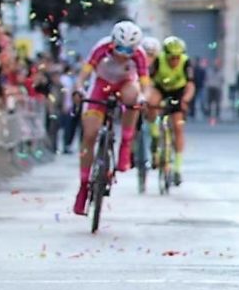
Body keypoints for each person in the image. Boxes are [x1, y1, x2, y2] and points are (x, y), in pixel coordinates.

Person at [70, 20, 149, 215]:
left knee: (134, 97)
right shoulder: (101, 48)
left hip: (125, 84)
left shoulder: (140, 55)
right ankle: (83, 186)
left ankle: (126, 143)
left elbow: (145, 84)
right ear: (112, 43)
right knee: (90, 134)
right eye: (119, 48)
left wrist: (143, 97)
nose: (123, 55)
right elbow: (84, 74)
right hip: (101, 85)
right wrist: (79, 88)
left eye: (129, 50)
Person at [146, 36, 196, 186]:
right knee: (151, 103)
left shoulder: (185, 62)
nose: (174, 61)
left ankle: (177, 168)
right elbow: (148, 81)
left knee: (178, 127)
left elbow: (190, 85)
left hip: (178, 91)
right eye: (171, 58)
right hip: (160, 88)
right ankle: (155, 135)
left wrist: (185, 100)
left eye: (177, 57)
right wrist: (147, 98)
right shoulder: (158, 61)